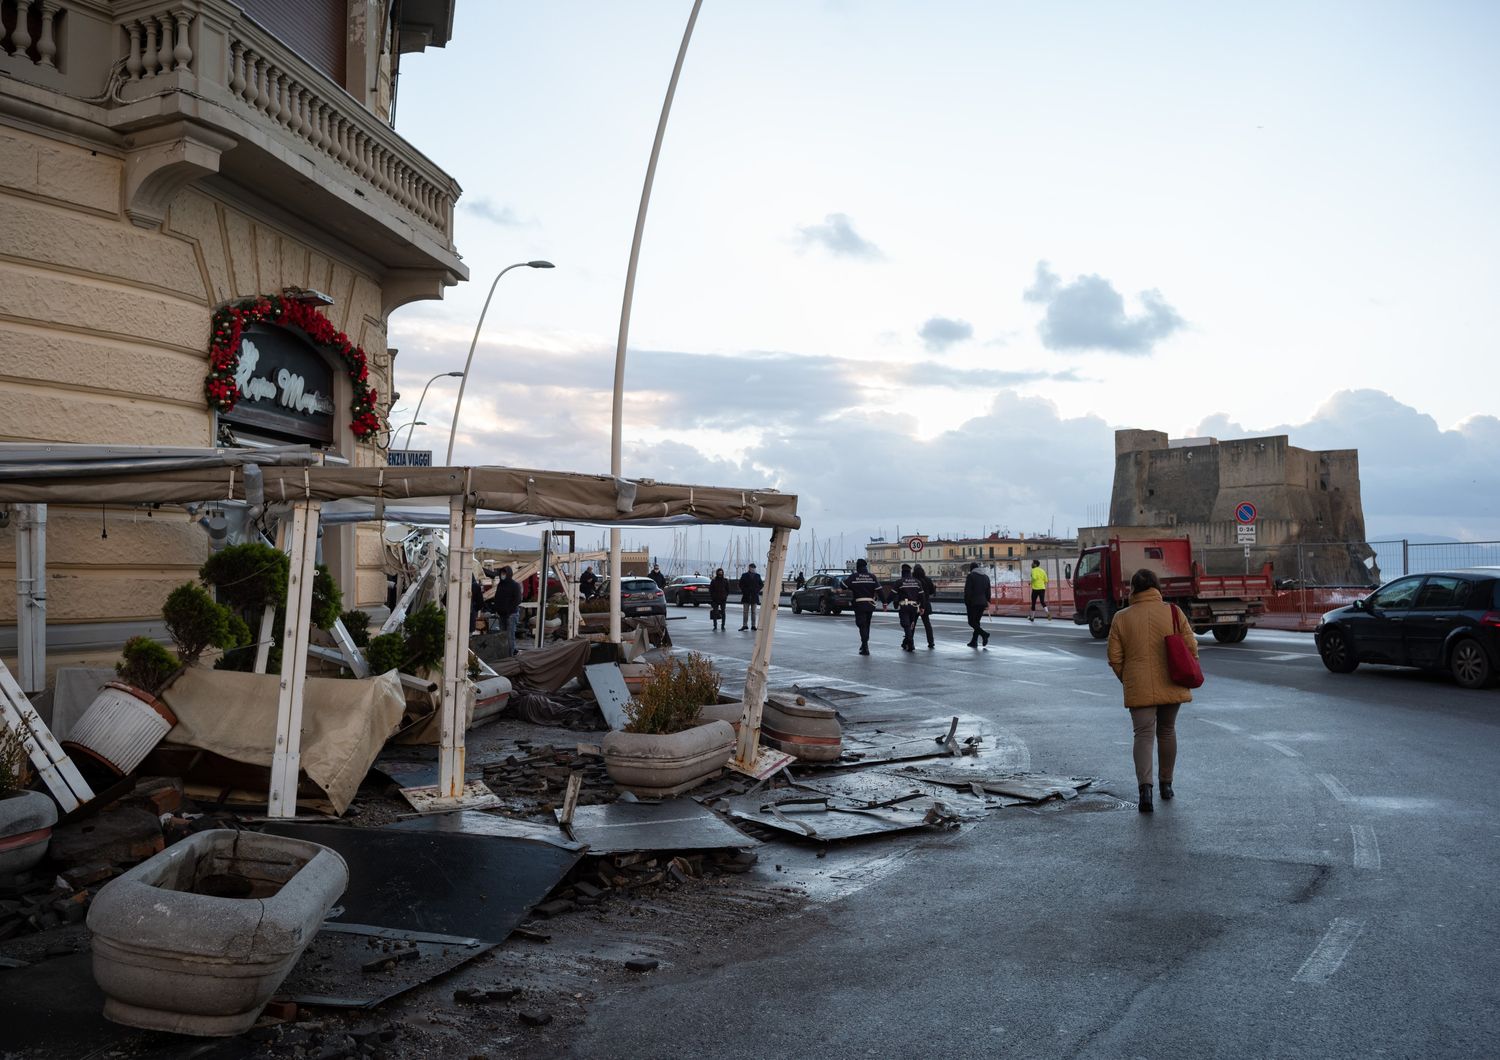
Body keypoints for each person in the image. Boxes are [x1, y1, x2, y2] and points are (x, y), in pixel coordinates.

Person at [1106, 568, 1200, 814]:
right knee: (1167, 731)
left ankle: (1144, 790)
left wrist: (1128, 678)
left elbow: (1114, 657)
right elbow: (1190, 645)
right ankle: (1166, 785)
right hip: (1172, 679)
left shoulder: (1121, 617)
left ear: (1133, 589)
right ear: (1157, 588)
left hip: (1138, 684)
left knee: (1143, 735)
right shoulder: (1173, 612)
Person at [846, 559, 881, 655]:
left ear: (857, 567)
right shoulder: (872, 576)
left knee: (861, 625)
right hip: (870, 604)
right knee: (867, 624)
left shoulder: (854, 576)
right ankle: (864, 644)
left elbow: (843, 585)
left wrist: (851, 586)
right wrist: (885, 602)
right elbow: (879, 590)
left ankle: (865, 646)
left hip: (859, 604)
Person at [894, 563, 926, 651]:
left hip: (904, 606)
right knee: (911, 625)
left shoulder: (899, 582)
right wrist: (922, 607)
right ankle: (907, 643)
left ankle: (911, 644)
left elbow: (893, 594)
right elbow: (922, 596)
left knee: (906, 625)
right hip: (914, 607)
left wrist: (885, 603)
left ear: (902, 572)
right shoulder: (917, 582)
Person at [492, 565, 522, 658]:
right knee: (502, 635)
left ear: (508, 574)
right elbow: (497, 597)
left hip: (511, 614)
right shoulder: (500, 585)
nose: (502, 575)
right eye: (501, 573)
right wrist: (496, 608)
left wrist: (508, 610)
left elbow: (517, 600)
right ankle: (504, 654)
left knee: (510, 636)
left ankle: (510, 655)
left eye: (504, 573)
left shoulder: (515, 585)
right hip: (502, 615)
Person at [964, 562, 991, 648]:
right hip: (983, 603)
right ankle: (974, 641)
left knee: (971, 622)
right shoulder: (986, 577)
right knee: (977, 622)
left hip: (973, 603)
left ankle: (984, 634)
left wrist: (967, 602)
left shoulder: (971, 576)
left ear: (971, 569)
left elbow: (968, 591)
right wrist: (988, 601)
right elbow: (988, 591)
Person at [913, 563, 937, 648]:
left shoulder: (913, 580)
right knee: (927, 624)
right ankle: (931, 642)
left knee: (913, 623)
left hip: (915, 604)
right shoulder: (927, 579)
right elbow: (931, 591)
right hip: (925, 604)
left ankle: (909, 642)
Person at [739, 563, 764, 631]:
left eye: (753, 568)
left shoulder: (757, 576)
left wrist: (756, 590)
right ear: (749, 568)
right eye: (751, 568)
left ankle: (753, 625)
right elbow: (740, 584)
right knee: (745, 612)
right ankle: (745, 625)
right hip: (746, 596)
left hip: (754, 596)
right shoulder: (744, 575)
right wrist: (744, 591)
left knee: (754, 612)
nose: (752, 569)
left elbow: (761, 584)